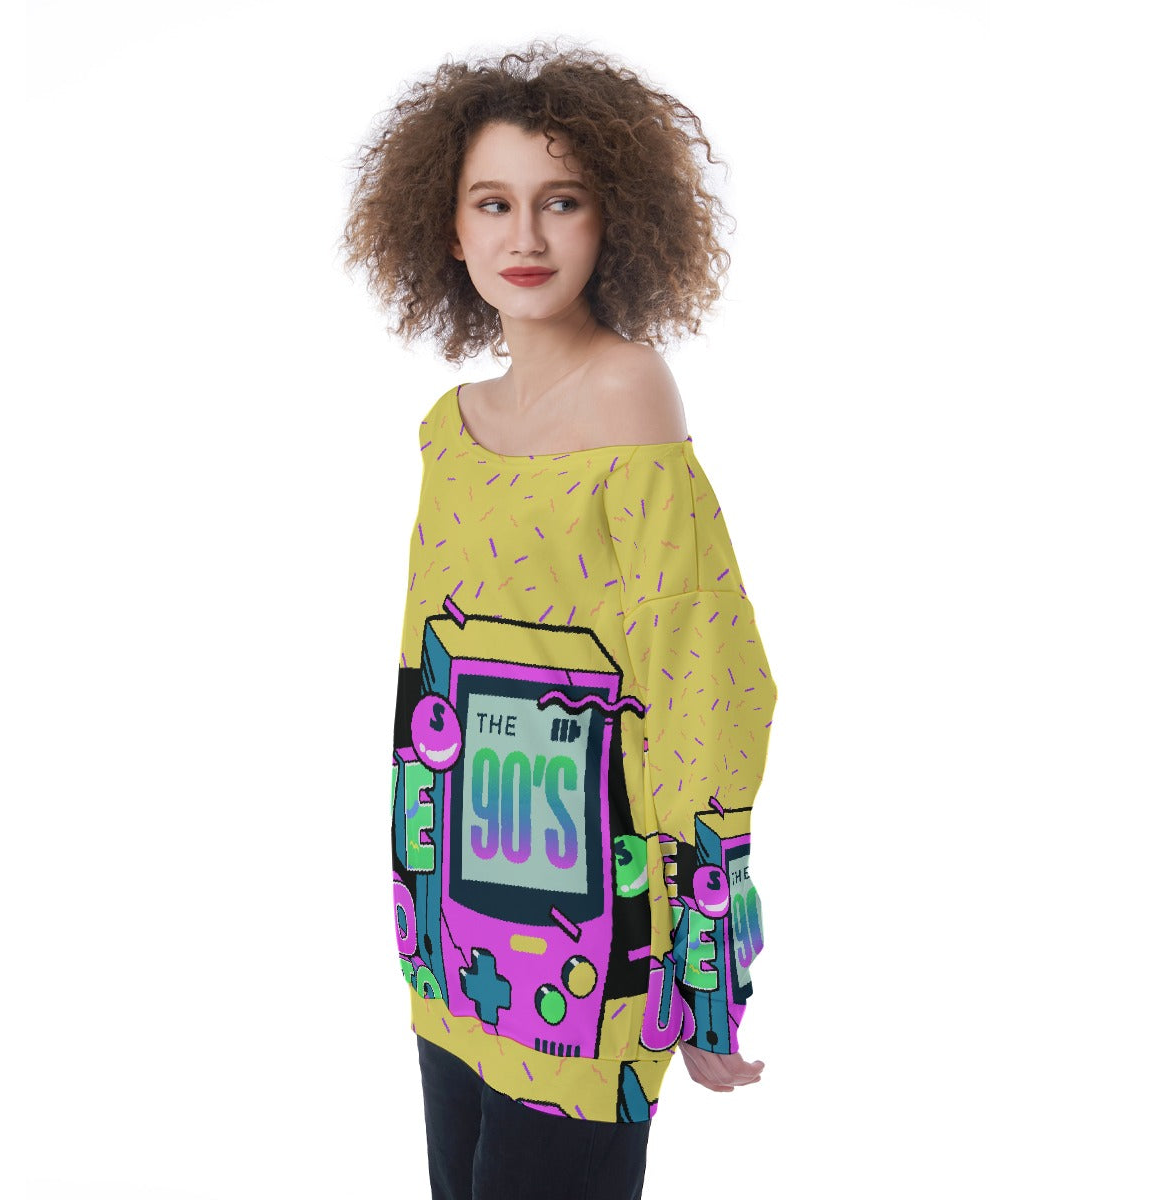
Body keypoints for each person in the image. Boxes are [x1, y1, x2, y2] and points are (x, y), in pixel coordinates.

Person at [341, 41, 777, 1200]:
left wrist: (712, 969)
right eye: (493, 203)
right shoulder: (447, 430)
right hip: (450, 929)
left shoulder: (632, 393)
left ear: (611, 219)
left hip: (597, 943)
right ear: (449, 229)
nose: (525, 236)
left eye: (562, 201)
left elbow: (705, 680)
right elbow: (424, 685)